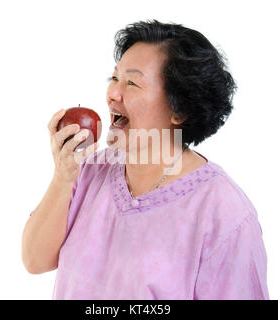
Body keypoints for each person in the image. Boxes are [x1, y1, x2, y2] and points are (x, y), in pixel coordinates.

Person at [22, 19, 270, 300]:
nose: (112, 94)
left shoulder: (225, 214)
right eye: (114, 78)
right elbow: (35, 260)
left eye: (132, 83)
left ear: (180, 110)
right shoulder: (90, 169)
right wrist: (63, 175)